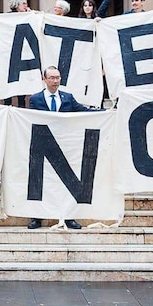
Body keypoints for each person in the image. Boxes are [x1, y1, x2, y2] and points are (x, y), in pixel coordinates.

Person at [27, 66, 99, 230]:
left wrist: (105, 112)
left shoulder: (68, 97)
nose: (55, 81)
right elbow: (30, 119)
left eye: (58, 77)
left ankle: (69, 217)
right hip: (43, 146)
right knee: (40, 182)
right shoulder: (35, 99)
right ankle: (37, 218)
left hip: (65, 147)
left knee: (68, 183)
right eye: (52, 77)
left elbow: (83, 111)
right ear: (44, 79)